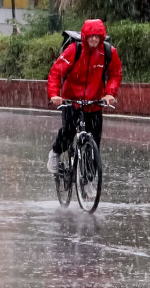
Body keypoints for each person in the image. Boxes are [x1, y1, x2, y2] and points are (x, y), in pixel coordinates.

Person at [46, 19, 123, 173]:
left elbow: (115, 74)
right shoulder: (74, 50)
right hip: (72, 100)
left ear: (102, 37)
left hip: (94, 103)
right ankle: (55, 154)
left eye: (97, 36)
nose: (94, 39)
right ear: (85, 36)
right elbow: (56, 72)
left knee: (95, 141)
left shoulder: (108, 52)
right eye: (91, 36)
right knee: (67, 133)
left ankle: (89, 177)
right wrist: (54, 94)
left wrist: (109, 93)